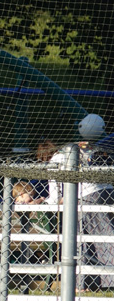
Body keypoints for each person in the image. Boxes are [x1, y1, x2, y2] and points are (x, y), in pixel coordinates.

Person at [43, 114, 114, 290]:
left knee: (82, 242)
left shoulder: (59, 158)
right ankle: (102, 281)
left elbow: (54, 196)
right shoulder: (102, 150)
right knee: (105, 239)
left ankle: (83, 284)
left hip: (87, 198)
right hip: (107, 194)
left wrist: (48, 203)